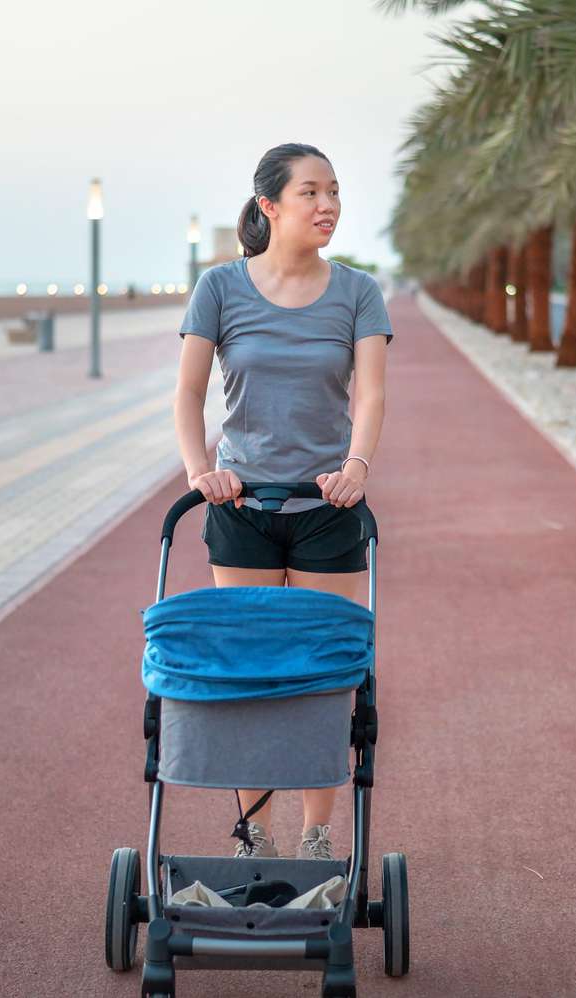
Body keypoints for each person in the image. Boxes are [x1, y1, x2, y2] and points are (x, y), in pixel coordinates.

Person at [172, 143, 392, 862]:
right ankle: (255, 832)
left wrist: (357, 466)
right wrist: (201, 470)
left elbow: (372, 393)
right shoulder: (220, 288)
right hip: (242, 509)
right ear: (270, 206)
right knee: (250, 674)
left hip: (329, 507)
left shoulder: (358, 292)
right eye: (310, 192)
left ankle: (318, 833)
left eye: (334, 192)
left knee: (325, 672)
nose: (327, 205)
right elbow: (188, 393)